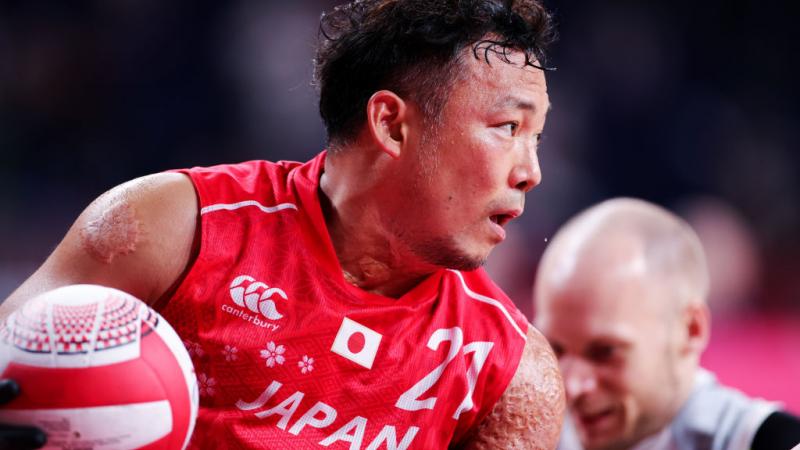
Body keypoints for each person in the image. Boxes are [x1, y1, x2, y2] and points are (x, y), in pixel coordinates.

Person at [0, 0, 566, 448]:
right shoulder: (173, 225)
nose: (531, 172)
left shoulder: (510, 374)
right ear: (391, 125)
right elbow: (13, 366)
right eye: (508, 128)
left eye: (536, 138)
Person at [533, 197, 800, 450]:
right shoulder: (532, 436)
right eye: (556, 350)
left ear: (691, 331)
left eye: (605, 352)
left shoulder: (770, 441)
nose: (572, 385)